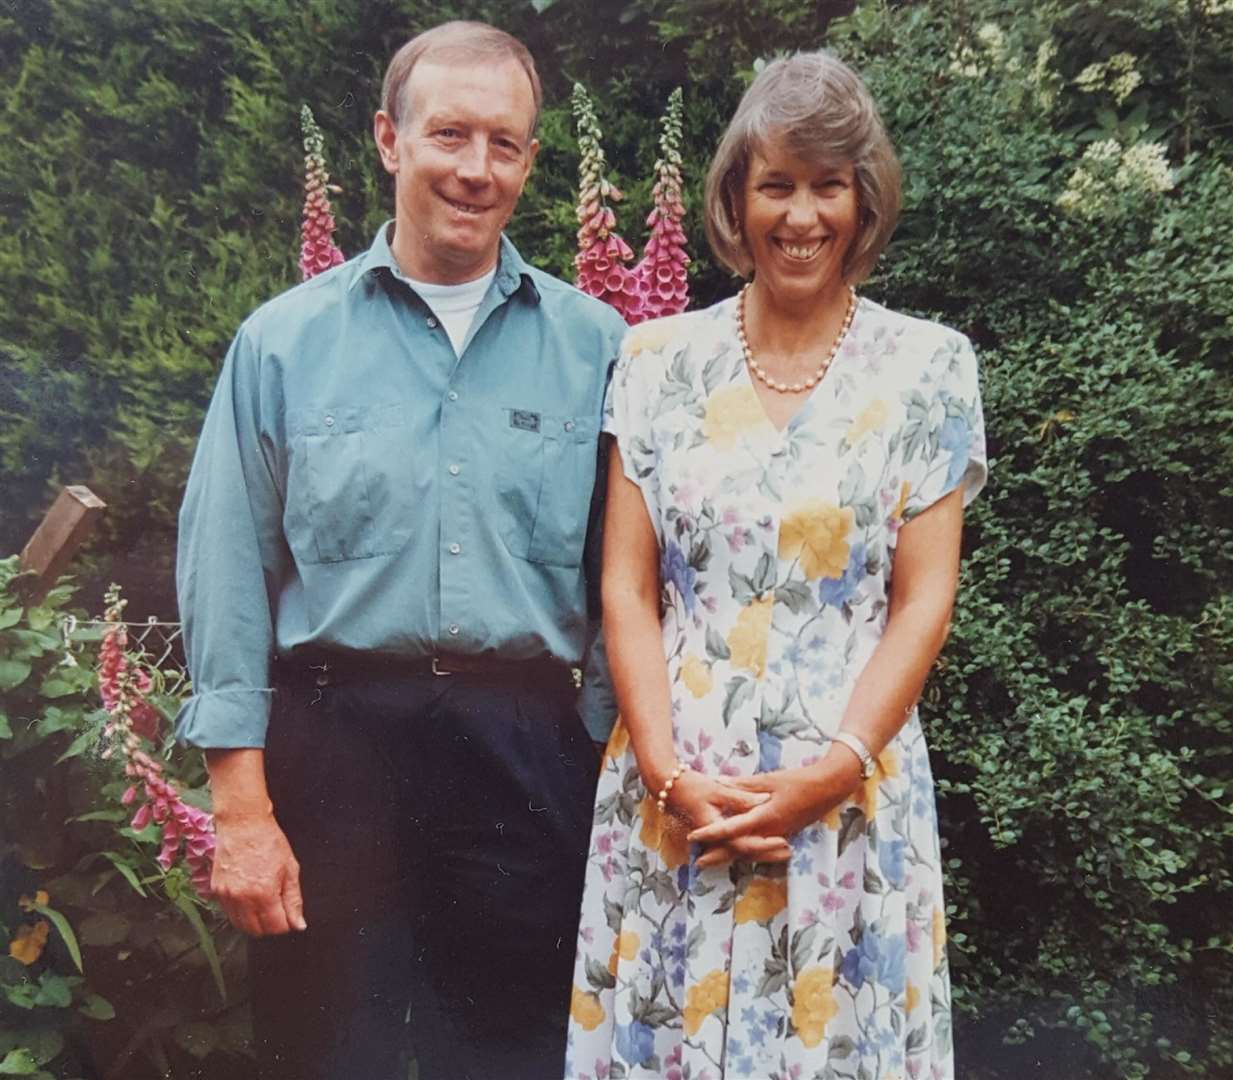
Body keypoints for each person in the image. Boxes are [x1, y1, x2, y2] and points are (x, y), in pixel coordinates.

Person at [175, 20, 627, 1080]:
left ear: (529, 159)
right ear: (389, 139)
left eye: (504, 143)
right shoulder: (281, 345)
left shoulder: (600, 349)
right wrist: (240, 808)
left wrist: (599, 762)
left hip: (529, 752)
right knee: (326, 1056)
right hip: (335, 751)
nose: (476, 169)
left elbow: (633, 580)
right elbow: (227, 570)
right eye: (449, 134)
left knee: (518, 1062)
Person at [566, 50, 986, 1079]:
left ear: (864, 198)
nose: (802, 216)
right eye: (777, 185)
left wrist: (833, 769)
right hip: (678, 790)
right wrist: (668, 777)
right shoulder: (656, 362)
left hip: (848, 791)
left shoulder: (930, 368)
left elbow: (923, 600)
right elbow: (625, 584)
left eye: (828, 185)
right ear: (735, 199)